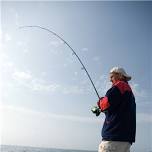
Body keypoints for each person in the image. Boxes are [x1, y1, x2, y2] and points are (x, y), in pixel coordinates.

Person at [96, 67, 136, 152]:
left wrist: (100, 102)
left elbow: (106, 104)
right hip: (126, 140)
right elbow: (117, 110)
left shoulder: (120, 86)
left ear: (120, 76)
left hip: (113, 139)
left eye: (112, 77)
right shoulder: (130, 94)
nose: (110, 80)